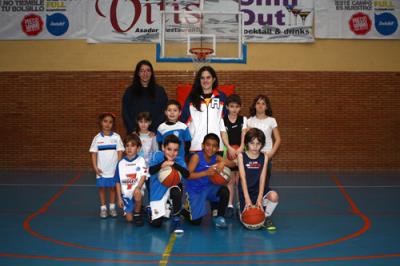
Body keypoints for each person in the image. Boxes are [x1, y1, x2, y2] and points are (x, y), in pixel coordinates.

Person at [182, 133, 235, 228]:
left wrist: (223, 162)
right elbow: (187, 176)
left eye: (214, 146)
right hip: (195, 190)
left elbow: (232, 164)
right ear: (203, 145)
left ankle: (220, 216)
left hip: (209, 188)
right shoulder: (196, 157)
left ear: (218, 148)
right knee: (196, 222)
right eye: (208, 145)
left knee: (224, 190)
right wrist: (205, 173)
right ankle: (185, 209)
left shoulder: (216, 157)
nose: (211, 148)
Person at [237, 128, 279, 231]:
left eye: (258, 144)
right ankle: (240, 207)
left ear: (262, 144)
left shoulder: (264, 156)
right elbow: (242, 178)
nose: (255, 147)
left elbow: (262, 177)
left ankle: (266, 216)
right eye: (252, 143)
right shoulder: (241, 156)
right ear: (247, 143)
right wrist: (247, 198)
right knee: (247, 221)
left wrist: (260, 197)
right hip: (246, 191)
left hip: (259, 190)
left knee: (274, 196)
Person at [148, 135, 189, 234]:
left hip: (171, 187)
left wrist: (173, 164)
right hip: (158, 191)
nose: (172, 153)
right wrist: (162, 164)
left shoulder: (179, 160)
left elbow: (187, 174)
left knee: (176, 190)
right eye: (169, 149)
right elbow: (151, 171)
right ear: (163, 147)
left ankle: (176, 219)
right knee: (156, 224)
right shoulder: (157, 155)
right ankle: (152, 210)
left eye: (175, 150)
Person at [180, 66, 227, 154]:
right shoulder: (191, 98)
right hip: (196, 146)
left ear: (213, 79)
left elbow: (226, 122)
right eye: (202, 78)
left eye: (208, 77)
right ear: (199, 80)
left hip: (216, 147)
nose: (205, 80)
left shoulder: (222, 97)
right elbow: (184, 121)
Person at [89, 112, 124, 218]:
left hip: (113, 170)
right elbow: (94, 154)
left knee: (113, 188)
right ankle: (103, 208)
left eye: (110, 122)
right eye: (105, 121)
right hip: (101, 170)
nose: (107, 124)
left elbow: (120, 152)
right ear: (101, 122)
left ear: (113, 124)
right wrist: (95, 167)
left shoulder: (117, 137)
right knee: (102, 189)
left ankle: (112, 208)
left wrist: (118, 167)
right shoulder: (97, 138)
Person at [122, 60, 168, 134]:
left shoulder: (160, 91)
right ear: (138, 73)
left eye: (148, 70)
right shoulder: (130, 91)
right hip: (135, 134)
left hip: (154, 134)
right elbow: (125, 112)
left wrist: (154, 130)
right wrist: (132, 130)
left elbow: (164, 112)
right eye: (142, 71)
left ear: (151, 73)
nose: (145, 73)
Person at [247, 95, 281, 188]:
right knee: (252, 180)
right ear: (254, 105)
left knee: (264, 181)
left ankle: (263, 199)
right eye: (258, 103)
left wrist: (271, 153)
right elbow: (247, 140)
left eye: (263, 103)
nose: (260, 105)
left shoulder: (271, 120)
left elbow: (278, 139)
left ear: (267, 106)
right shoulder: (249, 121)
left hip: (266, 155)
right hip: (252, 155)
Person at [222, 94, 248, 218]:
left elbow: (244, 134)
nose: (234, 109)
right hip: (229, 152)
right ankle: (230, 205)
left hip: (241, 152)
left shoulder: (244, 120)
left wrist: (242, 148)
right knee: (230, 179)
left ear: (240, 108)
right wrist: (230, 148)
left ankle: (240, 203)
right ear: (227, 107)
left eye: (237, 107)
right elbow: (223, 135)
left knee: (241, 179)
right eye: (231, 106)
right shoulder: (223, 120)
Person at [115, 134, 149, 225]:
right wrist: (119, 198)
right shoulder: (120, 163)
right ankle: (138, 207)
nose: (129, 148)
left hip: (136, 190)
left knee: (137, 194)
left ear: (138, 148)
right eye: (127, 146)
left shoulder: (140, 160)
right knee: (129, 219)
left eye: (132, 145)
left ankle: (137, 213)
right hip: (126, 194)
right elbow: (117, 182)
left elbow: (143, 175)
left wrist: (138, 187)